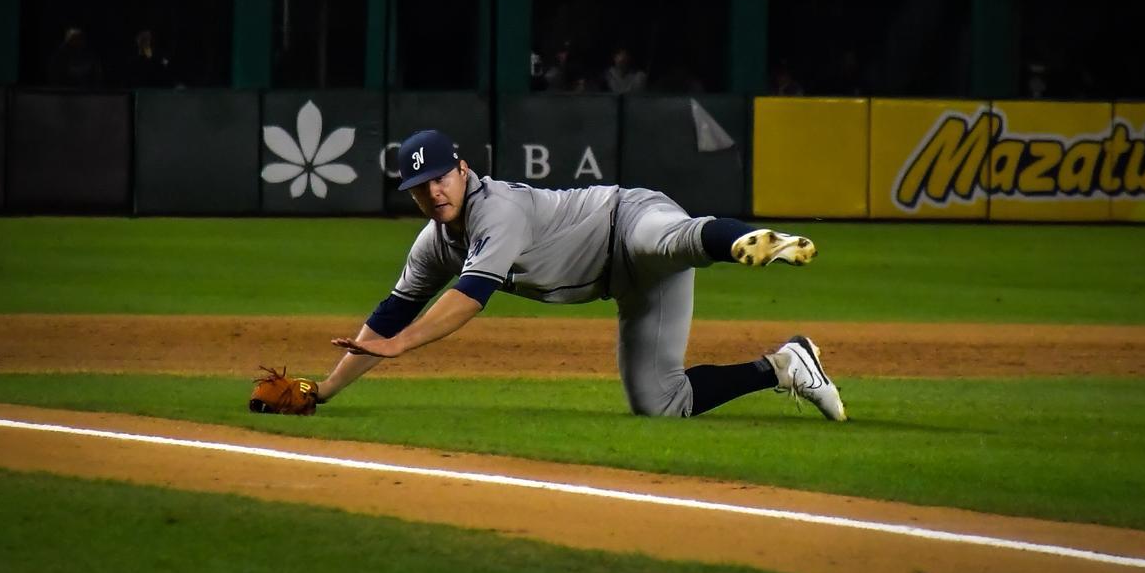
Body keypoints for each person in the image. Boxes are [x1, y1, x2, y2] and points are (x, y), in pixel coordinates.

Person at [314, 129, 847, 421]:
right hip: (625, 284)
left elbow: (471, 296)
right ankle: (784, 366)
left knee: (664, 239)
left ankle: (741, 240)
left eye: (441, 179)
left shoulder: (495, 210)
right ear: (411, 193)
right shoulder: (434, 243)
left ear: (463, 171)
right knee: (659, 403)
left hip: (626, 218)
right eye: (420, 186)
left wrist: (402, 345)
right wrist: (321, 392)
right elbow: (390, 315)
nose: (434, 192)